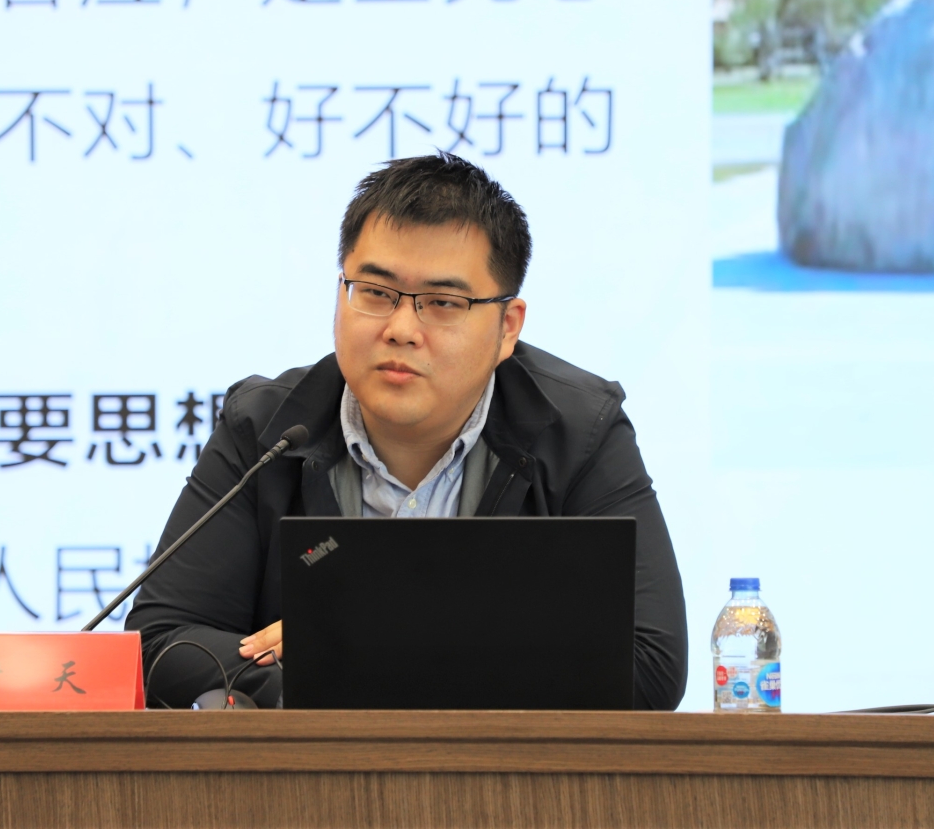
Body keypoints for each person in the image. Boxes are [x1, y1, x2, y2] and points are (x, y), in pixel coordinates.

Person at [125, 152, 688, 710]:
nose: (400, 329)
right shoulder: (267, 428)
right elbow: (162, 643)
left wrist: (362, 645)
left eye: (442, 303)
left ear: (507, 327)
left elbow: (650, 667)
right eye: (375, 292)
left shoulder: (577, 432)